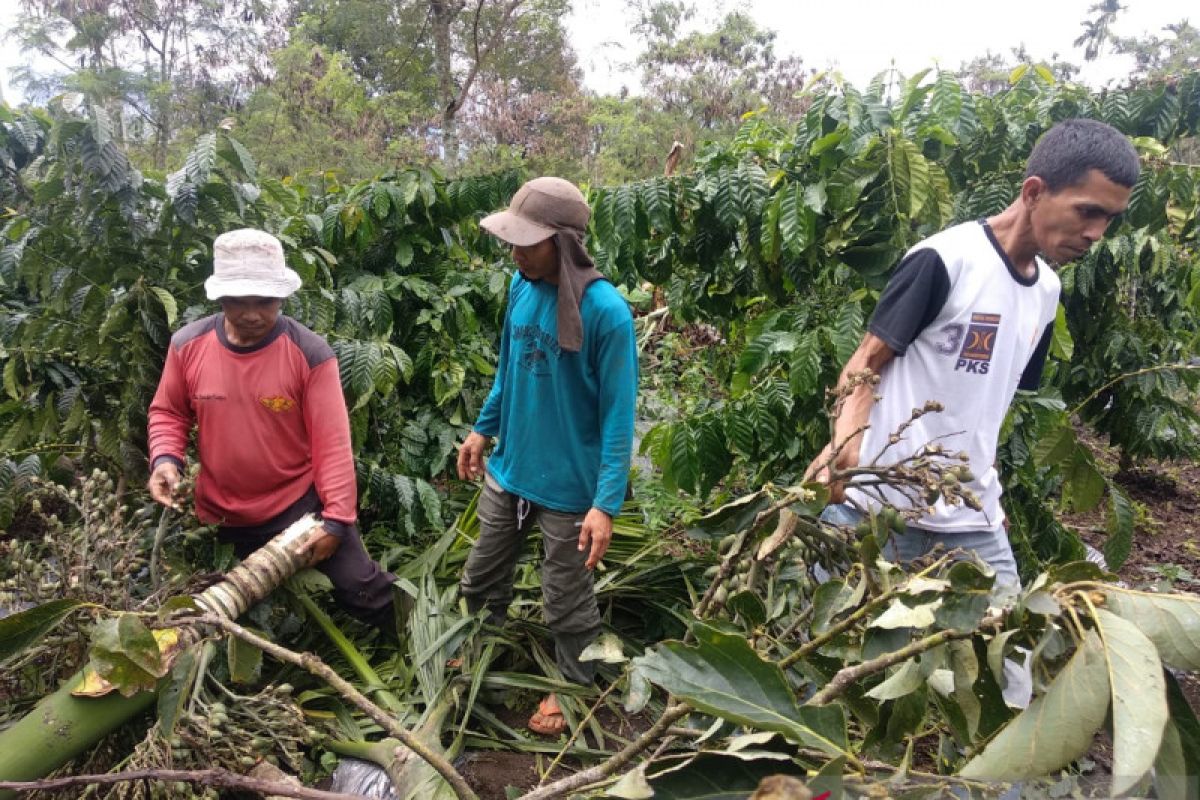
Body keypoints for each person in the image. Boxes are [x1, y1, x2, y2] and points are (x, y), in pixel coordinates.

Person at [807, 118, 1139, 594]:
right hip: (874, 507)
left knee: (1009, 664)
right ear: (1034, 192)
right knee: (823, 649)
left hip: (973, 521)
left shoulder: (1046, 291)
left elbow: (987, 407)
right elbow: (864, 362)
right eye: (1087, 211)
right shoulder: (945, 260)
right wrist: (843, 449)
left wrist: (990, 500)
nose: (1096, 232)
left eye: (1109, 218)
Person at [456, 177, 638, 736]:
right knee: (482, 572)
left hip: (569, 487)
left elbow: (617, 417)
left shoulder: (607, 312)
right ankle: (476, 646)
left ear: (563, 243)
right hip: (512, 470)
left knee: (565, 595)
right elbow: (509, 368)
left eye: (526, 243)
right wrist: (482, 431)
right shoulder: (521, 286)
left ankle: (570, 685)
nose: (514, 253)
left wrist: (605, 504)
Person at [146, 228, 395, 630]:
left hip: (298, 510)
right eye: (238, 302)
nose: (252, 314)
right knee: (215, 621)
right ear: (219, 297)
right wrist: (165, 460)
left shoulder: (309, 354)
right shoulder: (187, 346)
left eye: (264, 301)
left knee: (362, 589)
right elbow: (169, 413)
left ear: (281, 297)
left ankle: (432, 643)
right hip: (219, 519)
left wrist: (335, 522)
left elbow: (331, 445)